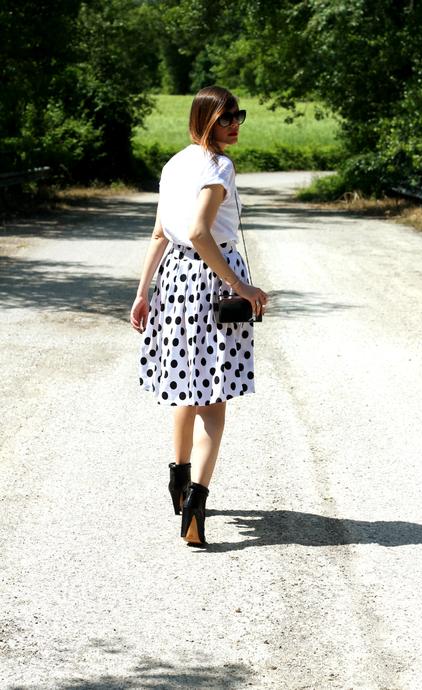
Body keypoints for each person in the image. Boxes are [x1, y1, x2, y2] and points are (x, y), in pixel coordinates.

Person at [130, 85, 268, 547]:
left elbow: (158, 236)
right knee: (214, 397)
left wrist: (143, 292)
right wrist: (240, 284)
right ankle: (197, 501)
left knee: (184, 386)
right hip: (213, 282)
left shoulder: (173, 165)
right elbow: (197, 231)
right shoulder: (218, 166)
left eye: (237, 116)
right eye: (225, 117)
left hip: (174, 280)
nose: (234, 125)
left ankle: (179, 478)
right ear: (205, 120)